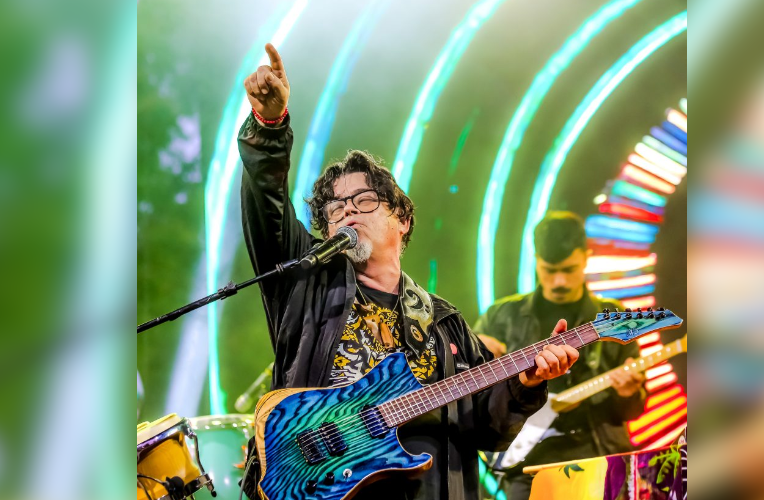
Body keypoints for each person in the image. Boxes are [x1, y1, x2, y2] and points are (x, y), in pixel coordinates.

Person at [236, 43, 579, 500]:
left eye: (363, 200)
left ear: (402, 219)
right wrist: (270, 125)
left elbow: (488, 428)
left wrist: (526, 383)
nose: (347, 212)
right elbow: (267, 205)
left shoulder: (444, 323)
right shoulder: (307, 282)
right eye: (335, 209)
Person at [475, 211, 647, 500]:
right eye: (549, 270)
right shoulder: (501, 316)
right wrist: (478, 359)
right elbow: (476, 401)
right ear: (536, 260)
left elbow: (632, 411)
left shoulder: (614, 318)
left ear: (586, 257)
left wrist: (629, 393)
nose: (558, 281)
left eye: (568, 269)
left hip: (598, 459)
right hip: (525, 466)